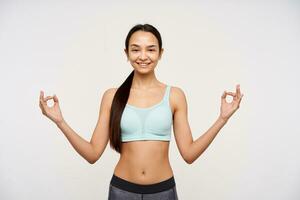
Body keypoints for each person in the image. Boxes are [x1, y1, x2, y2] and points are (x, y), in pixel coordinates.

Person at [39, 23, 244, 200]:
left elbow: (189, 154)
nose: (143, 56)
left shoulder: (174, 95)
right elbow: (92, 154)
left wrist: (222, 119)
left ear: (160, 53)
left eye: (151, 49)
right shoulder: (112, 96)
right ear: (126, 53)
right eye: (136, 49)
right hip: (122, 191)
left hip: (163, 192)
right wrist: (60, 121)